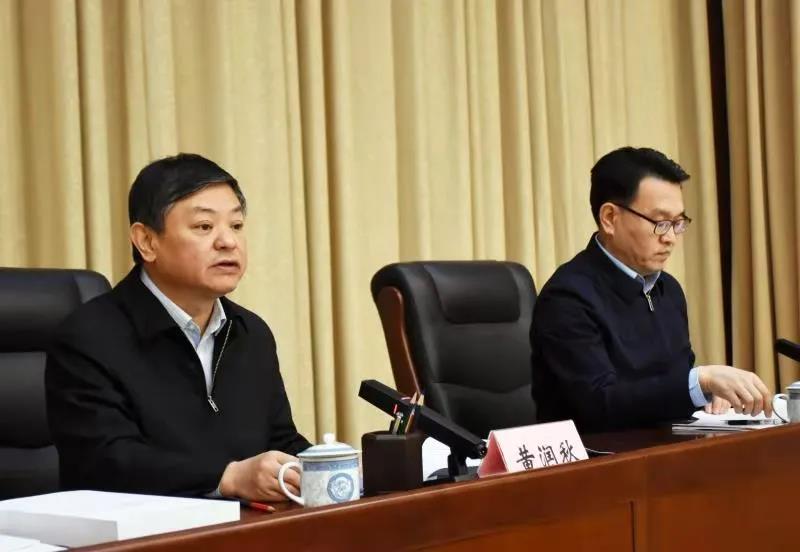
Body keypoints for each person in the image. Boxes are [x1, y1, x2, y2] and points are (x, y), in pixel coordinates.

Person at [46, 153, 310, 500]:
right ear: (147, 241)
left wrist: (337, 468)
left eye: (236, 225)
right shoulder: (88, 337)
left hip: (245, 526)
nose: (228, 241)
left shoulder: (250, 332)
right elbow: (105, 461)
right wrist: (227, 477)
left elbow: (280, 441)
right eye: (204, 226)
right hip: (145, 528)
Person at [530, 146, 772, 432]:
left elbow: (668, 387)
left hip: (668, 449)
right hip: (598, 455)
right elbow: (599, 405)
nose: (670, 238)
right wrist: (700, 382)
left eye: (678, 223)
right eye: (660, 223)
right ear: (609, 218)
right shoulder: (567, 298)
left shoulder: (669, 290)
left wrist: (708, 394)